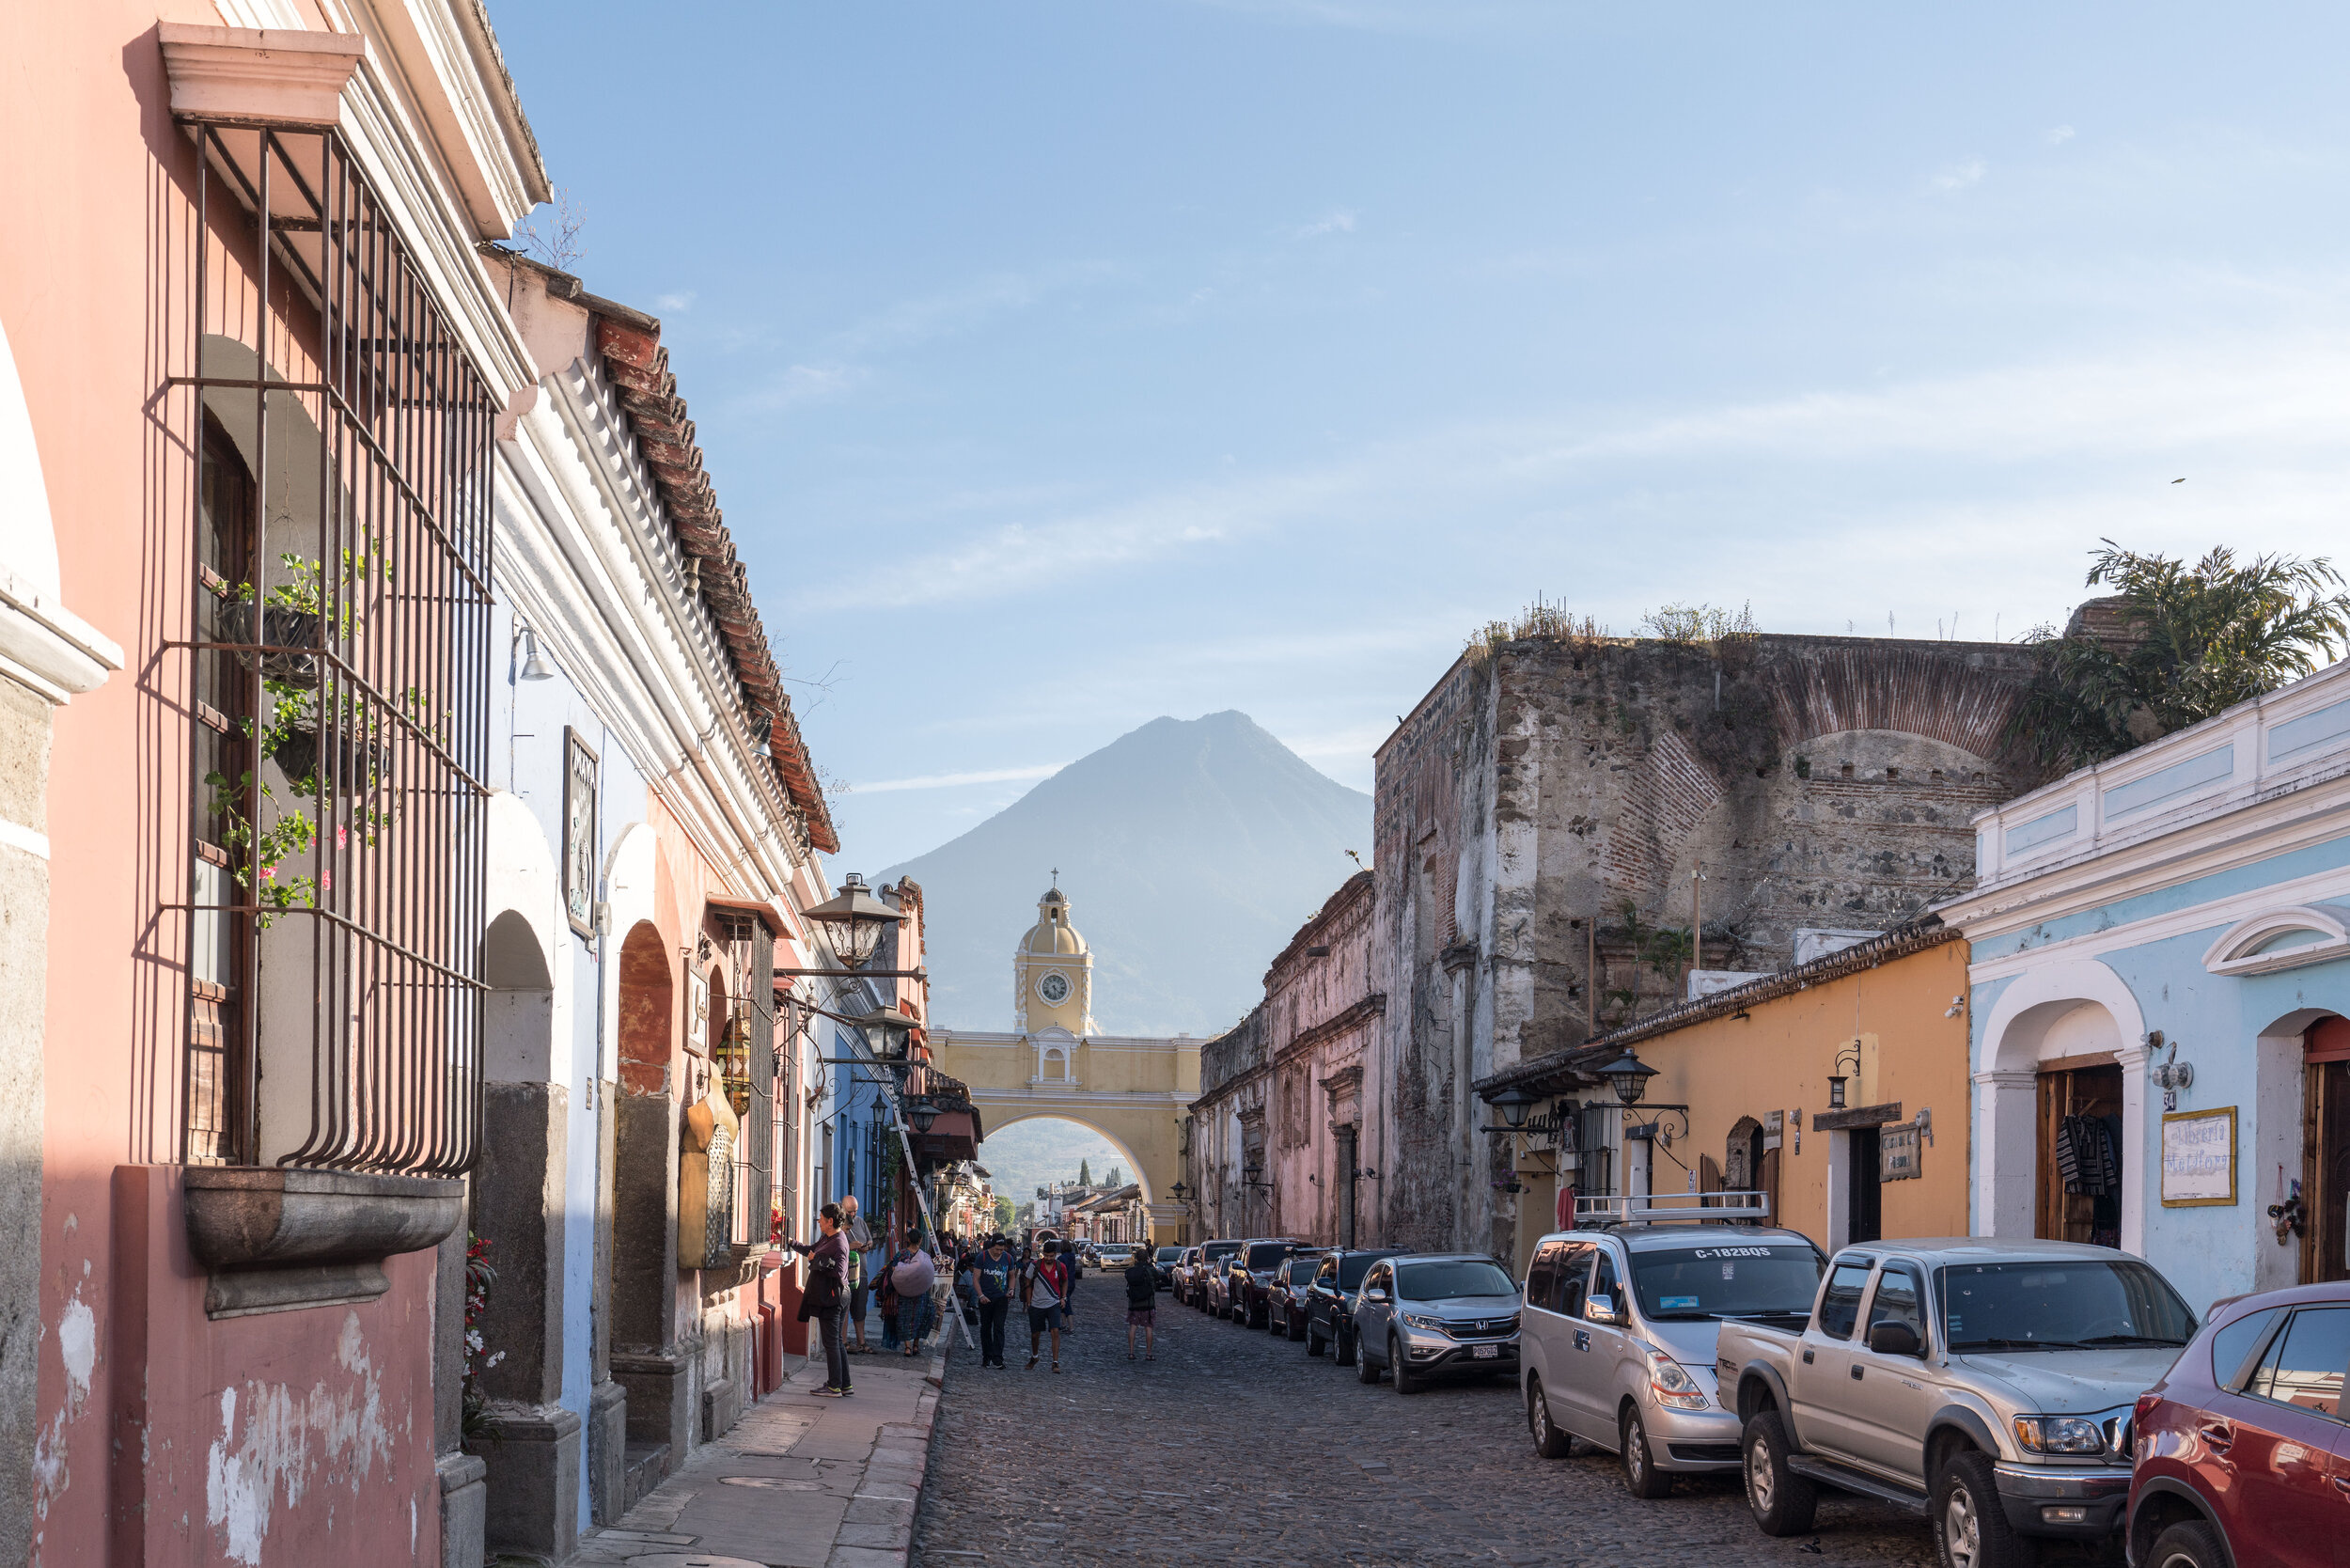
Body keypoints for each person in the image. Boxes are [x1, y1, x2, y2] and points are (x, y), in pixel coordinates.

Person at [787, 1203, 853, 1397]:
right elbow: (811, 1250)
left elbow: (839, 1272)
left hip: (834, 1296)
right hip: (833, 1295)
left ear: (830, 1222)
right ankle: (845, 1385)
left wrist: (817, 1261)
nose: (819, 1222)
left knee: (831, 1343)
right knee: (836, 1342)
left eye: (821, 1219)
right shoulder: (827, 1238)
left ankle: (834, 1386)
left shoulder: (839, 1242)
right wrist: (791, 1242)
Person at [1021, 1238, 1071, 1372]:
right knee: (1035, 1334)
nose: (1049, 1258)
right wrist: (1029, 1301)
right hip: (1037, 1304)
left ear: (1055, 1254)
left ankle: (1055, 1362)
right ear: (1043, 1253)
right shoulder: (1035, 1266)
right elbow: (1028, 1282)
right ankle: (1035, 1356)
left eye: (1051, 1256)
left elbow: (1065, 1281)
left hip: (1053, 1303)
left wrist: (1063, 1297)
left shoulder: (1060, 1267)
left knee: (1055, 1331)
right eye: (1046, 1255)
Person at [886, 1233, 936, 1356]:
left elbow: (893, 1269)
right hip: (921, 1293)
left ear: (908, 1239)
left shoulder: (901, 1254)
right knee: (920, 1318)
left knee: (905, 1319)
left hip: (905, 1293)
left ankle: (907, 1348)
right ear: (920, 1240)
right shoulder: (924, 1256)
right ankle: (915, 1346)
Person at [973, 1234, 1014, 1368]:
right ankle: (987, 1356)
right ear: (992, 1246)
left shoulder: (1008, 1258)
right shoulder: (982, 1257)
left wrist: (1011, 1289)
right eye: (997, 1249)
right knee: (985, 1328)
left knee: (999, 1327)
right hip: (985, 1299)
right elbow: (976, 1278)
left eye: (1002, 1249)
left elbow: (1012, 1276)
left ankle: (998, 1358)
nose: (999, 1252)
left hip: (1001, 1299)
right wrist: (980, 1296)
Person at [842, 1197, 874, 1354]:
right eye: (850, 1211)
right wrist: (850, 1247)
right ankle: (844, 1342)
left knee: (860, 1308)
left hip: (861, 1274)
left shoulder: (860, 1222)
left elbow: (870, 1240)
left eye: (855, 1210)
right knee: (845, 1308)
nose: (853, 1214)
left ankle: (861, 1342)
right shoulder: (840, 1225)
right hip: (846, 1275)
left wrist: (866, 1247)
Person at [1123, 1246, 1158, 1361]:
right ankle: (1148, 1354)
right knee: (1148, 1328)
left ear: (1136, 1259)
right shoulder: (1150, 1270)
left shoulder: (1130, 1271)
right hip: (1148, 1303)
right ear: (1147, 1258)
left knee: (1133, 1327)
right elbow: (1157, 1276)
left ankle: (1131, 1352)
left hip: (1134, 1304)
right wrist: (1150, 1264)